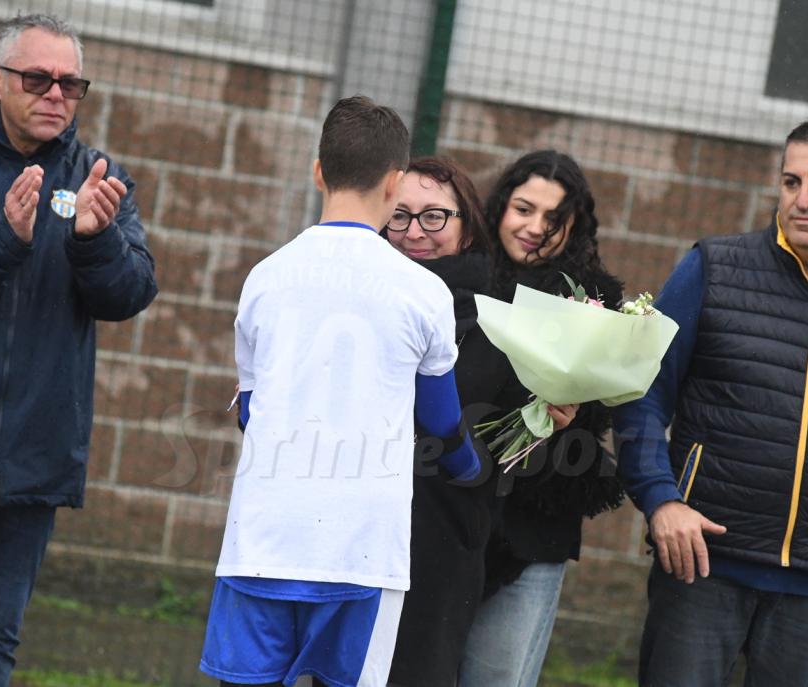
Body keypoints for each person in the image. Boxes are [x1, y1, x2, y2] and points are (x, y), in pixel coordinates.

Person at [613, 119, 808, 686]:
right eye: (790, 181)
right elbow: (641, 391)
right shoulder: (712, 268)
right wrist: (661, 501)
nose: (801, 199)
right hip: (702, 559)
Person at [0, 12, 157, 686]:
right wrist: (1, 237)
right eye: (38, 79)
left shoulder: (100, 179)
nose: (55, 94)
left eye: (71, 84)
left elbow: (130, 293)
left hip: (36, 443)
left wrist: (95, 239)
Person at [199, 97, 479, 687]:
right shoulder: (423, 291)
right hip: (363, 549)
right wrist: (469, 468)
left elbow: (249, 411)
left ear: (318, 172)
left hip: (263, 539)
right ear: (395, 183)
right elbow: (440, 419)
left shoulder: (265, 277)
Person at [458, 150, 626, 687]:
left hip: (532, 531)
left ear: (575, 227)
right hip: (450, 517)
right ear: (500, 207)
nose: (535, 228)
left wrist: (571, 414)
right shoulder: (463, 279)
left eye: (554, 218)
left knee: (498, 677)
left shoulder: (594, 301)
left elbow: (599, 418)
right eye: (523, 209)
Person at [382, 156, 519, 687]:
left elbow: (509, 447)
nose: (415, 232)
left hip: (442, 544)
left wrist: (549, 418)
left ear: (467, 229)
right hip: (355, 533)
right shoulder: (358, 301)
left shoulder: (500, 322)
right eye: (400, 215)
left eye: (434, 216)